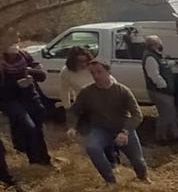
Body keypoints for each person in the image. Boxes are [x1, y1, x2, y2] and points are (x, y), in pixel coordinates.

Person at [67, 61, 149, 186]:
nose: (96, 76)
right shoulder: (87, 92)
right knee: (92, 148)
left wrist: (125, 131)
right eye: (93, 73)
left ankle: (143, 177)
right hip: (101, 129)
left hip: (122, 129)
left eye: (99, 72)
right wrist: (72, 127)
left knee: (138, 160)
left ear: (108, 72)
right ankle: (110, 181)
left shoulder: (122, 91)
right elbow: (74, 111)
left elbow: (137, 115)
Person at [60, 47, 119, 165]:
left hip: (103, 104)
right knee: (89, 135)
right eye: (79, 61)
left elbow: (111, 81)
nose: (83, 64)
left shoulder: (93, 68)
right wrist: (68, 108)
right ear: (73, 61)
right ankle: (99, 158)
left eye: (85, 61)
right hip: (84, 107)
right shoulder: (66, 72)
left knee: (108, 132)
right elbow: (64, 91)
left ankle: (113, 160)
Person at [0, 35, 52, 167]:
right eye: (9, 43)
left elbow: (41, 76)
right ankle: (33, 159)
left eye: (15, 42)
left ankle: (45, 160)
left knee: (38, 128)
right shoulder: (1, 62)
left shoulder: (25, 56)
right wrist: (16, 83)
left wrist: (31, 72)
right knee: (28, 126)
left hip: (30, 96)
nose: (13, 46)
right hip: (10, 100)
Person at [142, 35, 178, 142]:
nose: (161, 44)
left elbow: (163, 65)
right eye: (159, 42)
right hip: (159, 91)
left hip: (165, 91)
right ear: (154, 45)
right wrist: (164, 86)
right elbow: (154, 75)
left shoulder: (156, 56)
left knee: (171, 113)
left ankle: (175, 135)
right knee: (165, 115)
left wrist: (175, 63)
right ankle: (161, 137)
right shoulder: (150, 58)